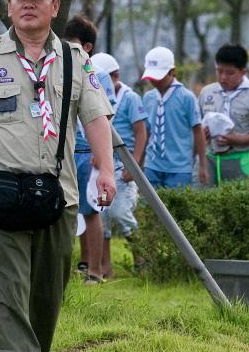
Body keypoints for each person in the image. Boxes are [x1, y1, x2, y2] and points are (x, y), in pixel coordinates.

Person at [0, 0, 116, 352]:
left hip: (60, 196)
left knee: (47, 297)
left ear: (54, 6)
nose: (28, 4)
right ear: (9, 4)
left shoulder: (76, 59)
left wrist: (105, 170)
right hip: (1, 193)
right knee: (8, 297)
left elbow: (95, 118)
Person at [91, 53, 146, 279]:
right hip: (102, 161)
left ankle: (141, 260)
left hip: (123, 162)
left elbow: (141, 132)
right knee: (101, 215)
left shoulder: (130, 98)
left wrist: (134, 164)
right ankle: (105, 267)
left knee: (122, 212)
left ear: (115, 76)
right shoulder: (95, 96)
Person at [62, 15, 107, 283]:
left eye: (73, 43)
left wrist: (100, 156)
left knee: (90, 212)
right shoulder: (58, 68)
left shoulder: (97, 75)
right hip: (65, 152)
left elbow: (104, 118)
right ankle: (70, 267)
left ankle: (95, 271)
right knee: (66, 212)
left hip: (87, 154)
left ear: (87, 47)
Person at [198, 44, 249, 185]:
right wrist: (202, 133)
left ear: (243, 72)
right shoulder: (207, 92)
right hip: (209, 158)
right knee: (205, 199)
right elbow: (196, 124)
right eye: (219, 71)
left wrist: (239, 140)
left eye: (230, 73)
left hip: (238, 158)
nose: (223, 77)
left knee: (236, 201)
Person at [140, 46, 206, 187]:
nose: (154, 81)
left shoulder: (186, 97)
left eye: (159, 76)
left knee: (175, 207)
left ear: (172, 72)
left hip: (179, 168)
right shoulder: (148, 98)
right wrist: (139, 162)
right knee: (149, 207)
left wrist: (202, 165)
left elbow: (198, 131)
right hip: (152, 166)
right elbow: (146, 131)